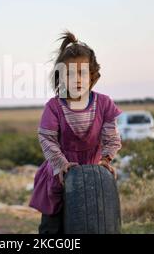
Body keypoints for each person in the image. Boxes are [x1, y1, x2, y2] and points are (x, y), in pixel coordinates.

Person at [28, 30, 123, 234]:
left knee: (95, 224)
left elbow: (111, 137)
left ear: (93, 75)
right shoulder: (54, 107)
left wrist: (106, 160)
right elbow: (47, 138)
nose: (76, 79)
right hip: (60, 174)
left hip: (93, 176)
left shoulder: (104, 104)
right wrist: (61, 164)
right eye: (69, 73)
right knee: (52, 229)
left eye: (82, 73)